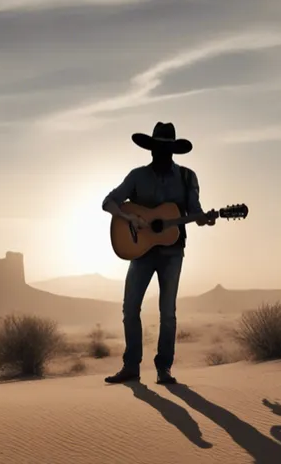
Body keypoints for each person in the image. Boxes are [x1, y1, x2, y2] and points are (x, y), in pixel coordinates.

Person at [101, 122, 215, 385]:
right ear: (150, 149)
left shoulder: (187, 177)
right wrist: (128, 217)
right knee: (130, 308)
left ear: (172, 151)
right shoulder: (137, 176)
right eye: (157, 148)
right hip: (141, 251)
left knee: (168, 312)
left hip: (173, 252)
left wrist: (205, 218)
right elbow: (108, 201)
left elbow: (195, 211)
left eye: (165, 149)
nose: (160, 153)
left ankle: (164, 368)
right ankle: (131, 366)